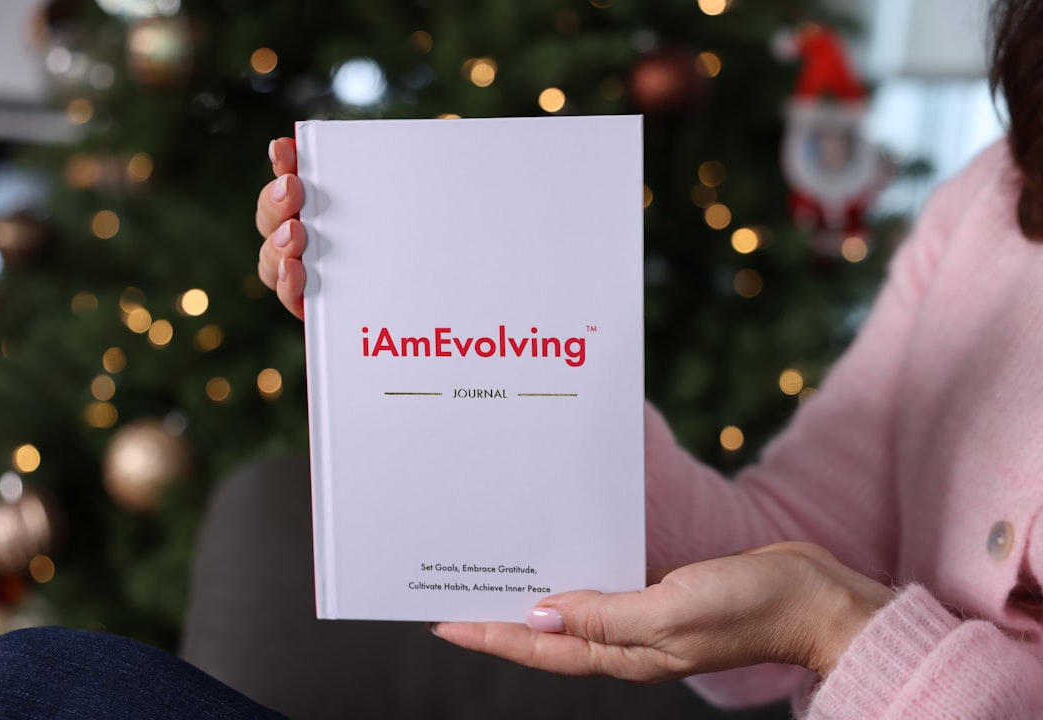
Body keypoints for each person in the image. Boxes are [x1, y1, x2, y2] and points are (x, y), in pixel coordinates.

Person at [256, 0, 1043, 716]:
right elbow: (791, 542)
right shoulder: (995, 201)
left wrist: (832, 627)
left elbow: (814, 600)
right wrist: (496, 367)